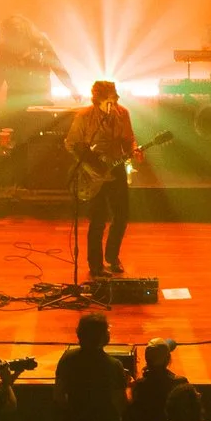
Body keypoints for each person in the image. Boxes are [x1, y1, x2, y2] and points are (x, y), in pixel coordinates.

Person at [64, 80, 145, 278]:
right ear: (98, 100)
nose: (115, 101)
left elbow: (128, 139)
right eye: (110, 98)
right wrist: (88, 168)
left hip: (115, 169)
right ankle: (96, 265)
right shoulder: (84, 117)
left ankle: (112, 256)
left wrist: (134, 150)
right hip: (94, 172)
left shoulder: (123, 113)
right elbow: (71, 143)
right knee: (98, 220)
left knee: (122, 216)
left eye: (116, 97)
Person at [55, 313, 130, 421]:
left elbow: (58, 396)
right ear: (105, 337)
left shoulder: (67, 359)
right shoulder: (113, 366)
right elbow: (120, 404)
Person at [0, 13, 74, 115]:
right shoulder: (4, 48)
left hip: (40, 96)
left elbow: (57, 66)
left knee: (40, 125)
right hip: (16, 98)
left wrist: (72, 88)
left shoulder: (41, 43)